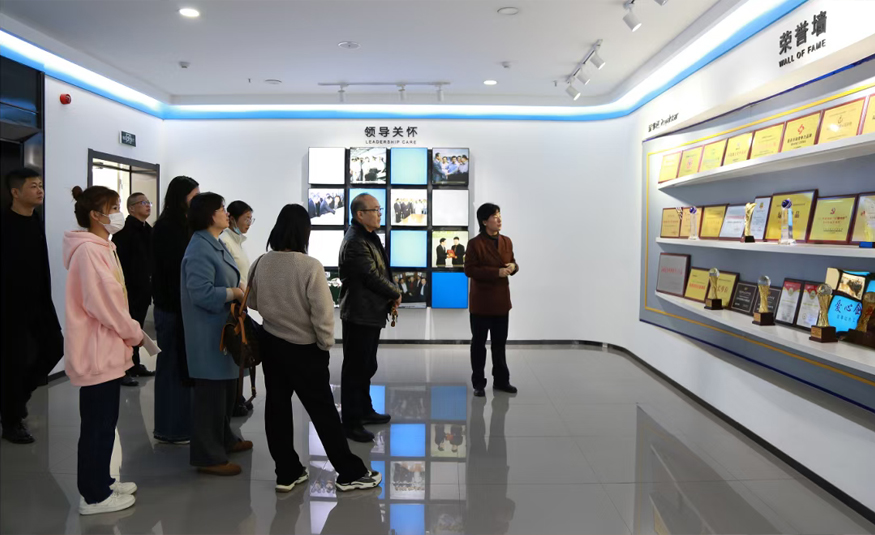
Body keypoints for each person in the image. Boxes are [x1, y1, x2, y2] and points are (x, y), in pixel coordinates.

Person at [249, 204, 382, 492]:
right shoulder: (309, 266)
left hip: (271, 344)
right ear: (303, 232)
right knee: (324, 413)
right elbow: (322, 314)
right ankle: (349, 472)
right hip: (305, 350)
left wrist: (277, 314)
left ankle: (286, 472)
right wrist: (324, 344)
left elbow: (252, 301)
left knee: (277, 408)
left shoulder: (261, 262)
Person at [63, 185, 142, 515]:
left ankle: (103, 481)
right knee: (97, 426)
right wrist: (134, 333)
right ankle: (94, 496)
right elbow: (105, 304)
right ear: (96, 215)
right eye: (114, 208)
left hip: (106, 351)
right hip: (96, 352)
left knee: (105, 423)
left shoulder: (103, 247)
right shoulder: (88, 252)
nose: (119, 214)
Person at [181, 192, 252, 476]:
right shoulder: (199, 248)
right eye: (222, 209)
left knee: (223, 393)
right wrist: (233, 293)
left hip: (220, 330)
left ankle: (224, 439)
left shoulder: (214, 242)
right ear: (210, 215)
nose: (227, 213)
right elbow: (200, 294)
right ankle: (208, 456)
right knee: (210, 397)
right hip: (207, 333)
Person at [1, 168, 64, 444]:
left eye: (40, 185)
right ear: (15, 192)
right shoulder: (5, 223)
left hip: (39, 303)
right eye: (33, 186)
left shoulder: (36, 219)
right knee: (13, 362)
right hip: (10, 307)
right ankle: (11, 421)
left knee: (55, 348)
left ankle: (17, 399)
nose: (40, 190)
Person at [339, 194, 401, 442]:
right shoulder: (355, 241)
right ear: (360, 214)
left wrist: (392, 292)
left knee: (366, 366)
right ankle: (351, 422)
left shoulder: (368, 237)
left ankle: (364, 410)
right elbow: (370, 276)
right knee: (355, 369)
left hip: (369, 311)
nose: (379, 213)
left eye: (379, 209)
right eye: (375, 210)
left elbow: (380, 271)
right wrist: (395, 292)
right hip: (359, 313)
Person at [152, 175, 199, 445]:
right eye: (194, 196)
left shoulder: (184, 225)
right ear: (181, 197)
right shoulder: (167, 228)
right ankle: (171, 429)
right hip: (171, 307)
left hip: (180, 306)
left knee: (180, 367)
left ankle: (180, 426)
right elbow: (172, 271)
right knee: (171, 367)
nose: (197, 201)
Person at [464, 203, 519, 397]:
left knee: (499, 344)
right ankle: (479, 383)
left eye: (499, 215)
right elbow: (469, 270)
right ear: (484, 221)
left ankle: (501, 381)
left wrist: (514, 267)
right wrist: (496, 272)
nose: (499, 219)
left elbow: (513, 262)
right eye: (495, 216)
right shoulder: (475, 244)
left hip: (501, 301)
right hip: (481, 303)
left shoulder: (507, 241)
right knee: (479, 345)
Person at [113, 192, 155, 386]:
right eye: (143, 202)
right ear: (131, 208)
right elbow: (120, 264)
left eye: (148, 202)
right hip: (129, 290)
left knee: (137, 328)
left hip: (144, 289)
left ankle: (134, 364)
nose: (148, 205)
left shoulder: (148, 230)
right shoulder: (124, 232)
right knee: (126, 329)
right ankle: (122, 368)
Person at [219, 200, 256, 417]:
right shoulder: (225, 241)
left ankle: (237, 397)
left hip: (241, 302)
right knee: (235, 351)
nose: (249, 223)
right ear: (232, 218)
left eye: (251, 218)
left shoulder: (237, 241)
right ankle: (234, 400)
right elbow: (232, 276)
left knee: (241, 351)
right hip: (234, 303)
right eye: (246, 218)